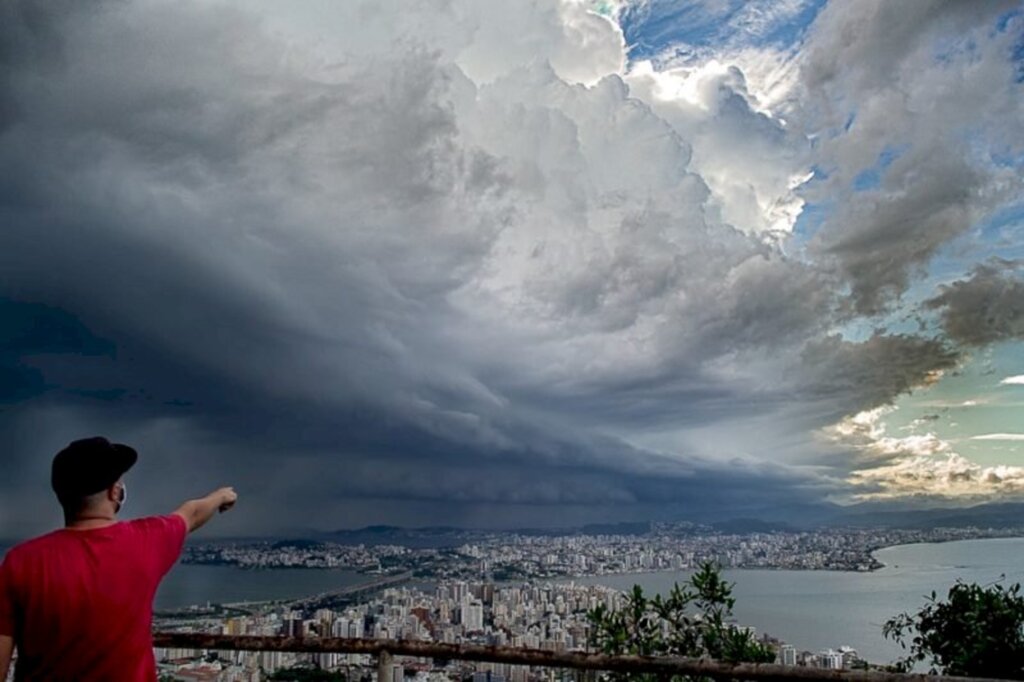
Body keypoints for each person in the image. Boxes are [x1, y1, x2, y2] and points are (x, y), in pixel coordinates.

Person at [0, 436, 238, 681]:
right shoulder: (147, 540)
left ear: (61, 495)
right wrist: (221, 496)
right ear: (115, 492)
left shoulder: (20, 562)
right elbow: (192, 513)